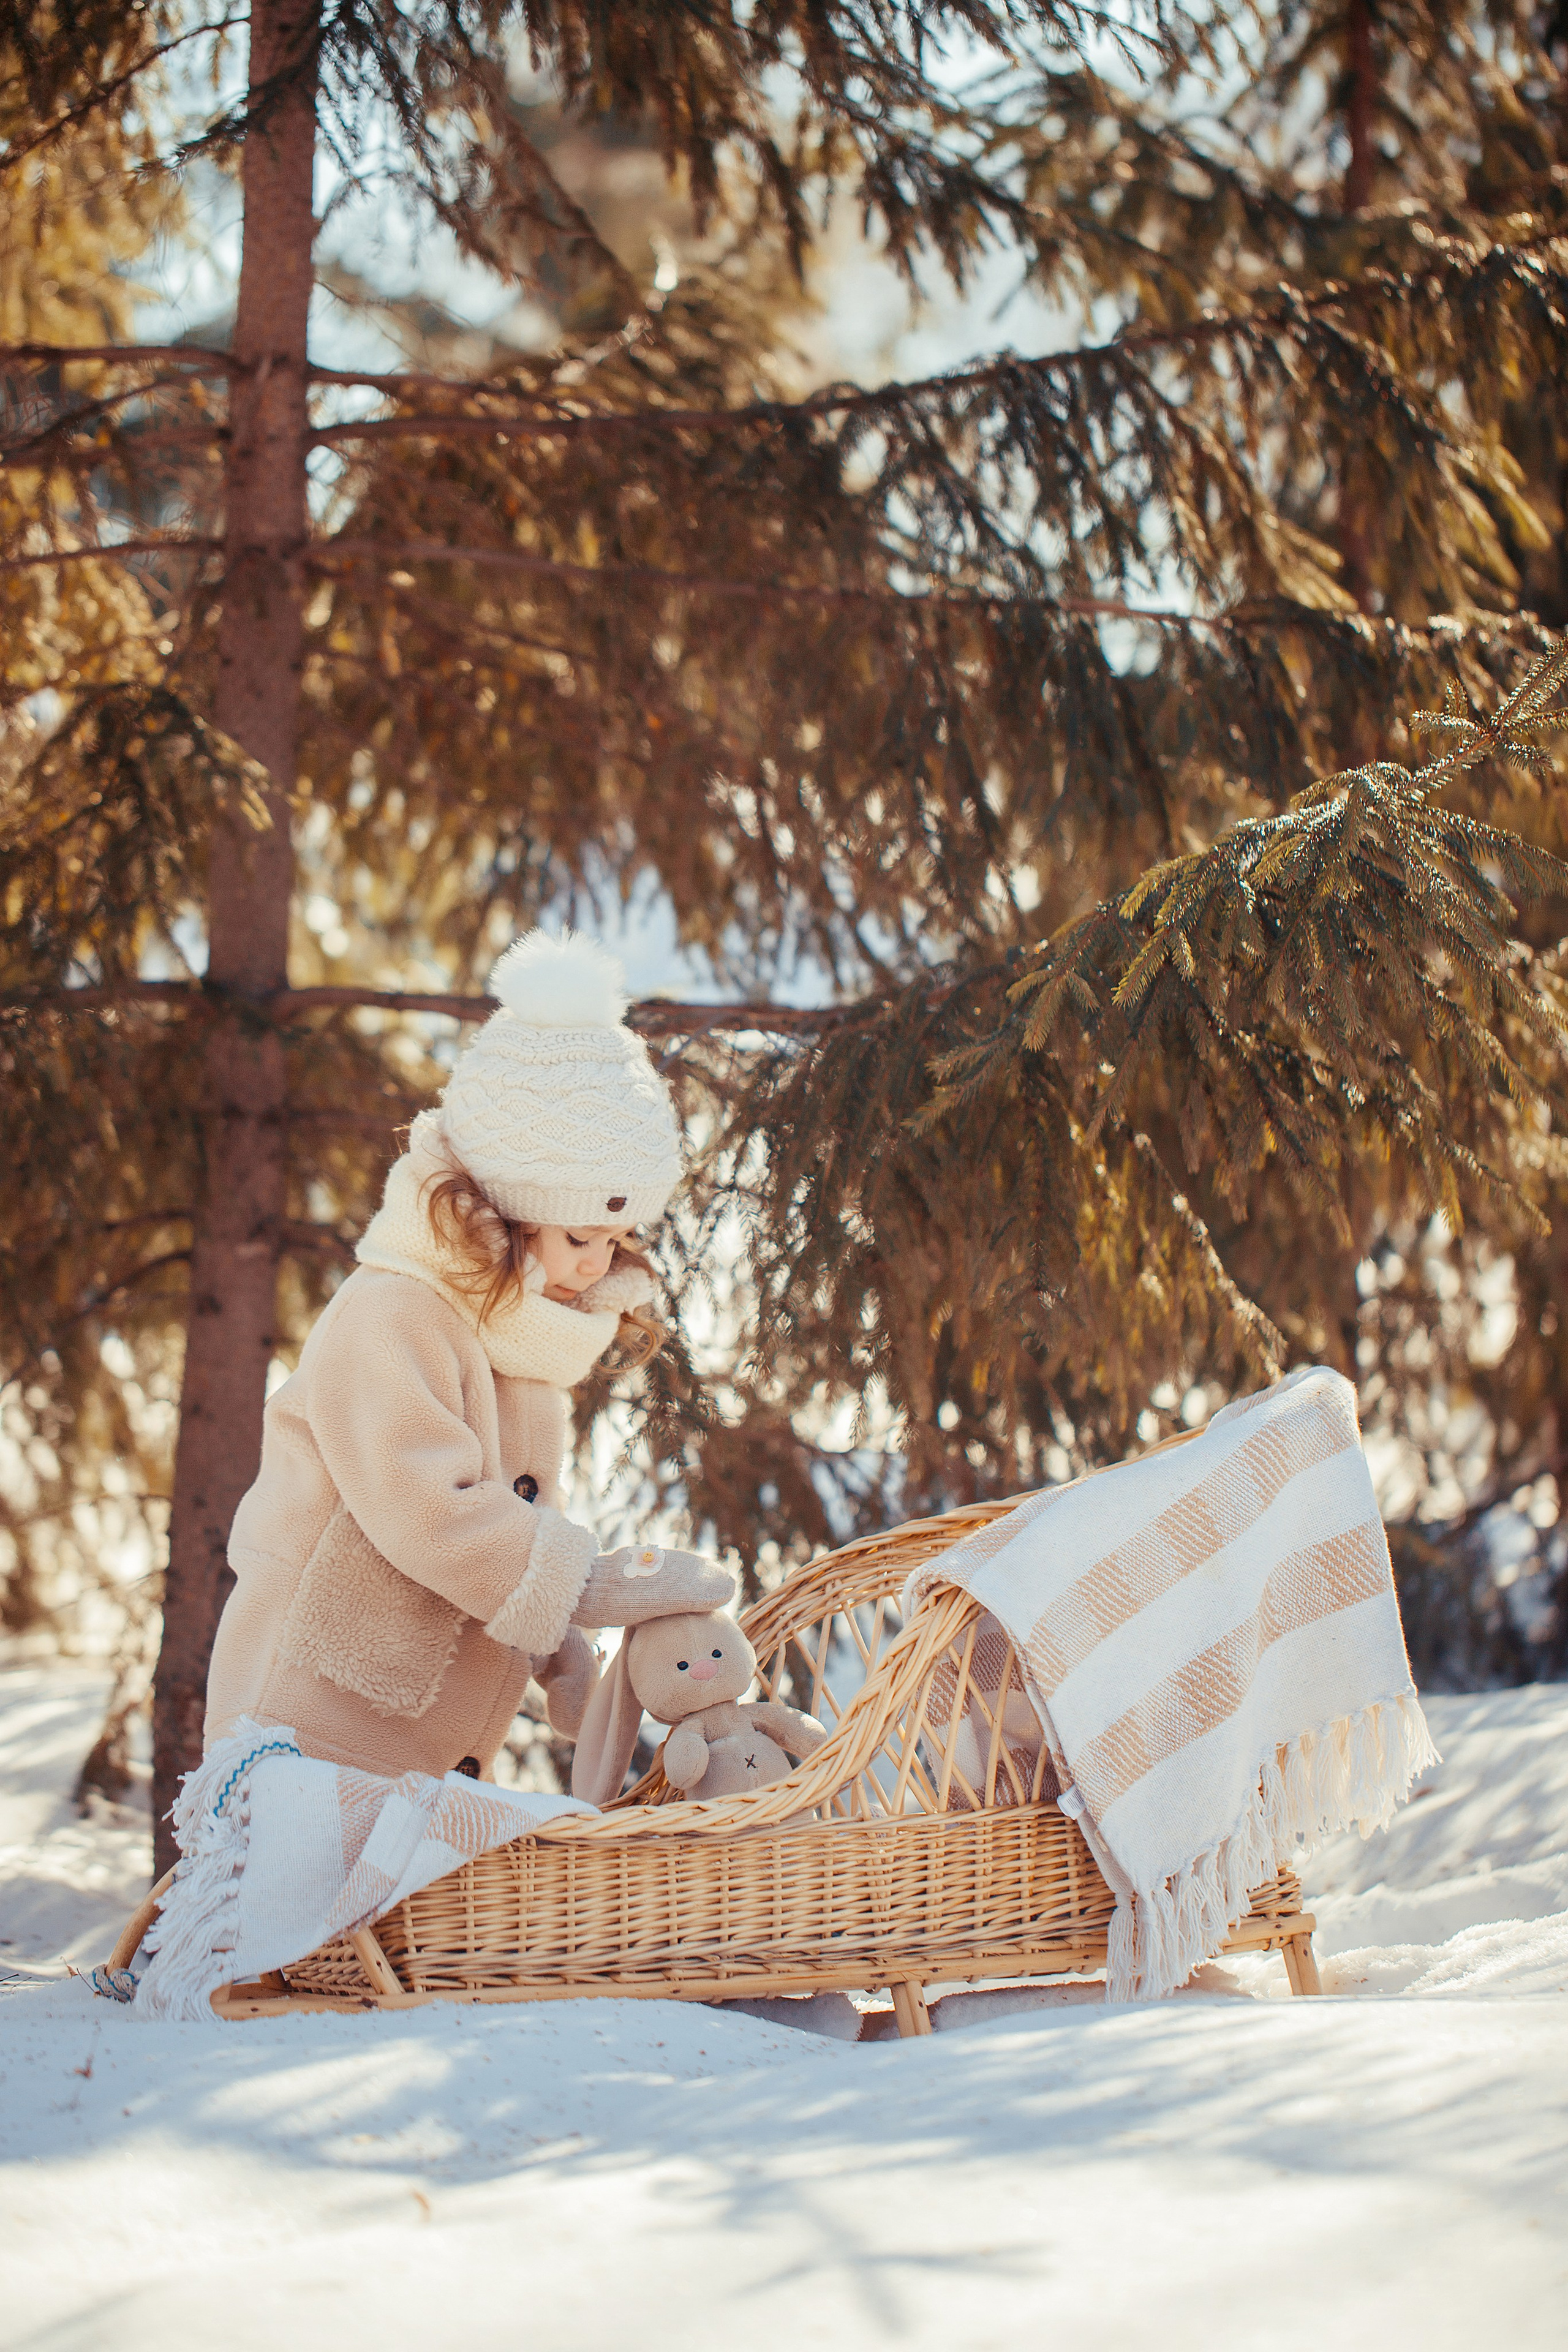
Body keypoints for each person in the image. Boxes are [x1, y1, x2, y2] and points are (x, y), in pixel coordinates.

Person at [203, 929, 734, 1784]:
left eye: (618, 1239)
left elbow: (506, 1534)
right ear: (509, 1207)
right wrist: (585, 1587)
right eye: (579, 1236)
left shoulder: (520, 1356)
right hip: (307, 1729)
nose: (599, 1265)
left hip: (419, 1750)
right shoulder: (391, 1313)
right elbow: (430, 1511)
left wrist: (559, 1647)